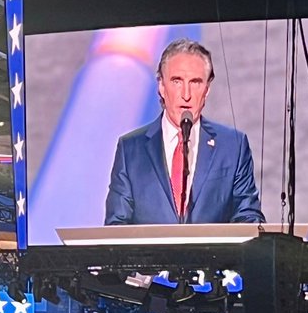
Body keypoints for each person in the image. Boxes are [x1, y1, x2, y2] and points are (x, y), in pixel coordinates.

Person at [105, 39, 264, 226]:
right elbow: (116, 226)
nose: (186, 94)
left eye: (196, 82)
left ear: (207, 89)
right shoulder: (130, 149)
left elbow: (248, 218)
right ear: (162, 86)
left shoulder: (233, 146)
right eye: (177, 81)